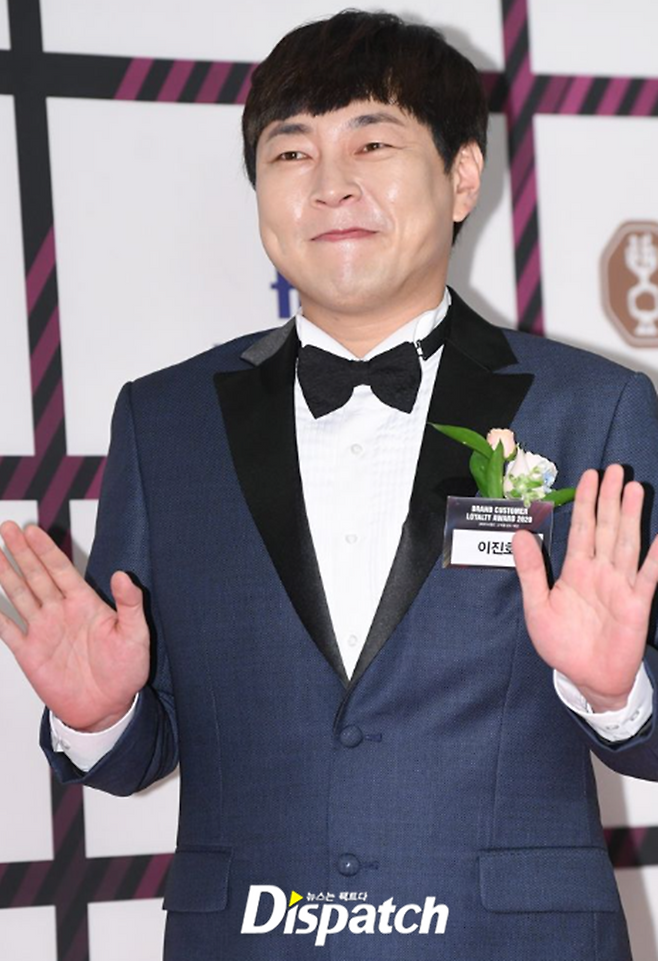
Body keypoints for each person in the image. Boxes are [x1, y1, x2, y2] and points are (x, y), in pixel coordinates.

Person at [1, 10, 658, 960]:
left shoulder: (593, 408)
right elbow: (142, 748)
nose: (331, 183)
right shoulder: (165, 420)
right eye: (291, 153)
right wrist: (99, 716)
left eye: (373, 142)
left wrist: (613, 690)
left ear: (462, 175)